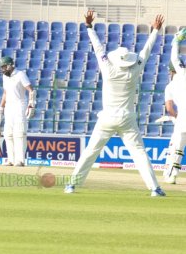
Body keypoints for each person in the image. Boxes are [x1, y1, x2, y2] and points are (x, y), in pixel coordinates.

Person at [64, 11, 166, 197]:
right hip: (127, 119)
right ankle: (154, 188)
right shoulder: (135, 69)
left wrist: (89, 27)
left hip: (107, 118)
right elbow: (146, 51)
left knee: (90, 152)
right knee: (139, 154)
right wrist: (155, 31)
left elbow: (98, 49)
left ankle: (71, 184)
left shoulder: (108, 68)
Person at [0, 56, 36, 166]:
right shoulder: (5, 77)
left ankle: (20, 160)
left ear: (10, 65)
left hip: (20, 105)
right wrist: (1, 108)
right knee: (8, 133)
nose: (3, 69)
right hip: (9, 106)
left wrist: (31, 104)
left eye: (4, 67)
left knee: (19, 133)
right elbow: (5, 93)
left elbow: (31, 90)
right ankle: (10, 160)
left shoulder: (20, 74)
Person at [162, 28, 186, 184]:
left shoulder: (170, 86)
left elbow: (170, 109)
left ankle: (171, 174)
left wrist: (176, 41)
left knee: (178, 147)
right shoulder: (183, 73)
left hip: (183, 118)